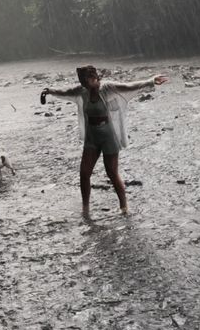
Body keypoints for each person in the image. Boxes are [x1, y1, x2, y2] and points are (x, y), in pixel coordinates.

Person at [41, 65, 168, 218]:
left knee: (112, 173)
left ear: (95, 78)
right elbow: (66, 92)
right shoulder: (82, 91)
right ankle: (85, 209)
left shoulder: (107, 88)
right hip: (92, 137)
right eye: (82, 82)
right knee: (84, 173)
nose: (85, 85)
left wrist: (151, 81)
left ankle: (124, 207)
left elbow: (129, 86)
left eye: (87, 81)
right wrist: (49, 90)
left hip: (108, 136)